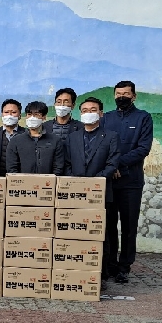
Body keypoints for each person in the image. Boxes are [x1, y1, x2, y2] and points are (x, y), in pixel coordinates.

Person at [63, 97, 120, 287]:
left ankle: (100, 274)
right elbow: (68, 164)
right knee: (77, 233)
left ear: (101, 113)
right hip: (76, 194)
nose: (89, 113)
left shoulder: (111, 136)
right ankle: (77, 271)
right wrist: (77, 185)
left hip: (101, 193)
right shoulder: (72, 137)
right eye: (85, 110)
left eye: (93, 109)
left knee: (101, 235)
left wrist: (95, 183)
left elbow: (112, 163)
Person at [102, 80, 153, 284]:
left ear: (134, 96)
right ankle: (111, 265)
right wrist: (110, 167)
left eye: (126, 93)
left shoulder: (143, 118)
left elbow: (143, 149)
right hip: (109, 182)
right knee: (109, 226)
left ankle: (125, 267)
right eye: (118, 93)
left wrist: (117, 165)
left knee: (129, 226)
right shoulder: (106, 119)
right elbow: (101, 144)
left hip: (131, 181)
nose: (121, 96)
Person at [6, 101, 64, 175]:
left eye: (36, 114)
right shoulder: (16, 141)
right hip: (23, 184)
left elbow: (58, 167)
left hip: (47, 184)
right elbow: (12, 168)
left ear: (44, 117)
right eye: (29, 114)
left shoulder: (55, 141)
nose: (32, 118)